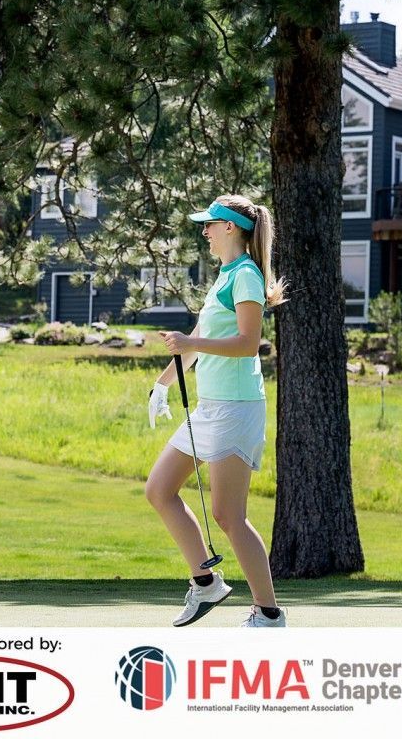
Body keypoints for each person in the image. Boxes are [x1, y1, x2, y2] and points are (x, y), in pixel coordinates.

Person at [146, 195, 288, 628]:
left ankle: (268, 613)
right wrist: (162, 385)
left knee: (229, 515)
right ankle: (205, 583)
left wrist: (192, 344)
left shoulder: (245, 275)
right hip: (210, 407)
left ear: (230, 227)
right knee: (159, 490)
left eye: (210, 224)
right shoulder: (225, 275)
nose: (204, 231)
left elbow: (249, 343)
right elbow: (198, 339)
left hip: (237, 408)